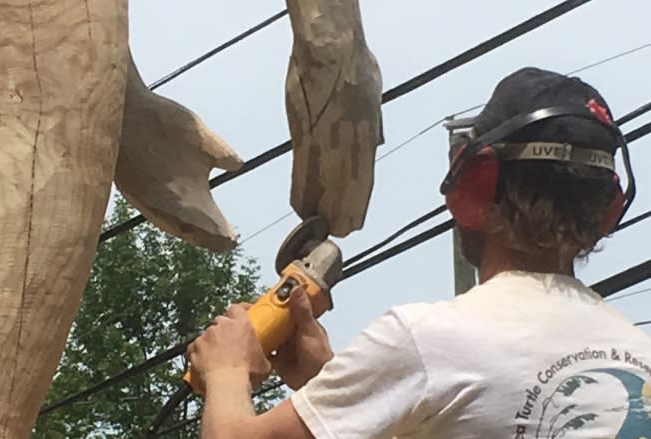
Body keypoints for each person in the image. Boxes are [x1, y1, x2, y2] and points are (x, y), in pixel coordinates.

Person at [186, 67, 651, 438]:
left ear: (474, 183)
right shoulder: (641, 358)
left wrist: (227, 370)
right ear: (609, 207)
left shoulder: (425, 339)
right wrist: (325, 385)